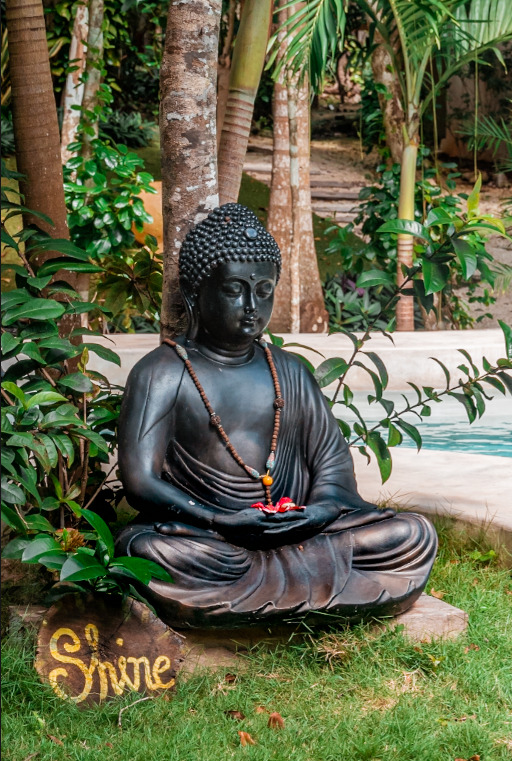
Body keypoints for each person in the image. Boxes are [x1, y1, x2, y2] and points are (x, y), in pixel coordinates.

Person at [116, 203, 437, 629]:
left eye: (264, 291)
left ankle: (256, 596)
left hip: (303, 532)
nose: (252, 305)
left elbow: (333, 466)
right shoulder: (163, 372)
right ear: (197, 293)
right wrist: (218, 518)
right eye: (234, 290)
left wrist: (321, 511)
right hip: (212, 539)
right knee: (148, 550)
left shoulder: (289, 371)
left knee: (413, 534)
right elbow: (140, 482)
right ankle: (331, 591)